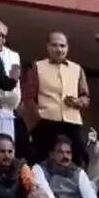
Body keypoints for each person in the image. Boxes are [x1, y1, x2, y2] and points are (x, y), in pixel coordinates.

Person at [23, 31, 90, 168]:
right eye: (54, 45)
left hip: (72, 122)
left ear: (67, 47)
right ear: (47, 47)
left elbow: (85, 96)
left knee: (77, 158)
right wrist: (36, 118)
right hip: (46, 121)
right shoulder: (38, 66)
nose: (59, 49)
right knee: (42, 160)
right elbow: (29, 96)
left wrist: (79, 102)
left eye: (62, 46)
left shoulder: (77, 69)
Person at [32, 136, 98, 198]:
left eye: (68, 153)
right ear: (51, 154)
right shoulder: (40, 169)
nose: (65, 156)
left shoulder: (79, 173)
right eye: (60, 152)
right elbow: (43, 189)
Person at [0, 20, 22, 142]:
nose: (1, 39)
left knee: (6, 147)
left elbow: (15, 92)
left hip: (8, 113)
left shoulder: (13, 56)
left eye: (3, 36)